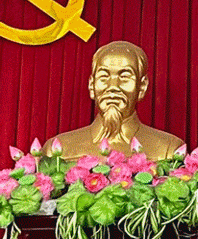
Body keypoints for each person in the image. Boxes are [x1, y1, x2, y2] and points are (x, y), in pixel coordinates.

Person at [43, 40, 184, 160]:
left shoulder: (168, 150)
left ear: (142, 87)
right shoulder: (58, 149)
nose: (113, 87)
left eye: (125, 77)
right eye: (104, 77)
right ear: (91, 85)